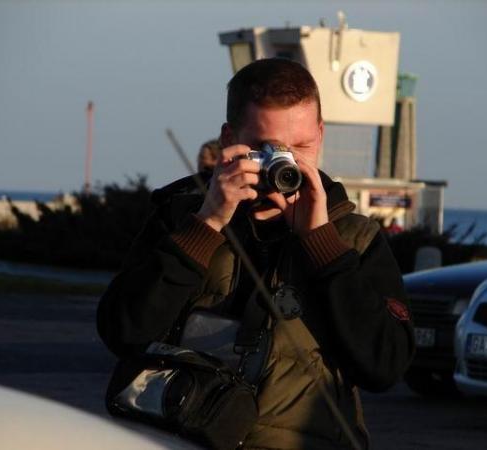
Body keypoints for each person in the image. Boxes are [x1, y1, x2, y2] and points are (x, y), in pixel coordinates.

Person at [97, 58, 415, 450]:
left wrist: (323, 244)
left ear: (321, 134)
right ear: (228, 137)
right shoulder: (182, 217)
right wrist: (207, 225)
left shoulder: (355, 238)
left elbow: (384, 367)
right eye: (264, 149)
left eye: (301, 147)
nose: (285, 163)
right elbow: (122, 333)